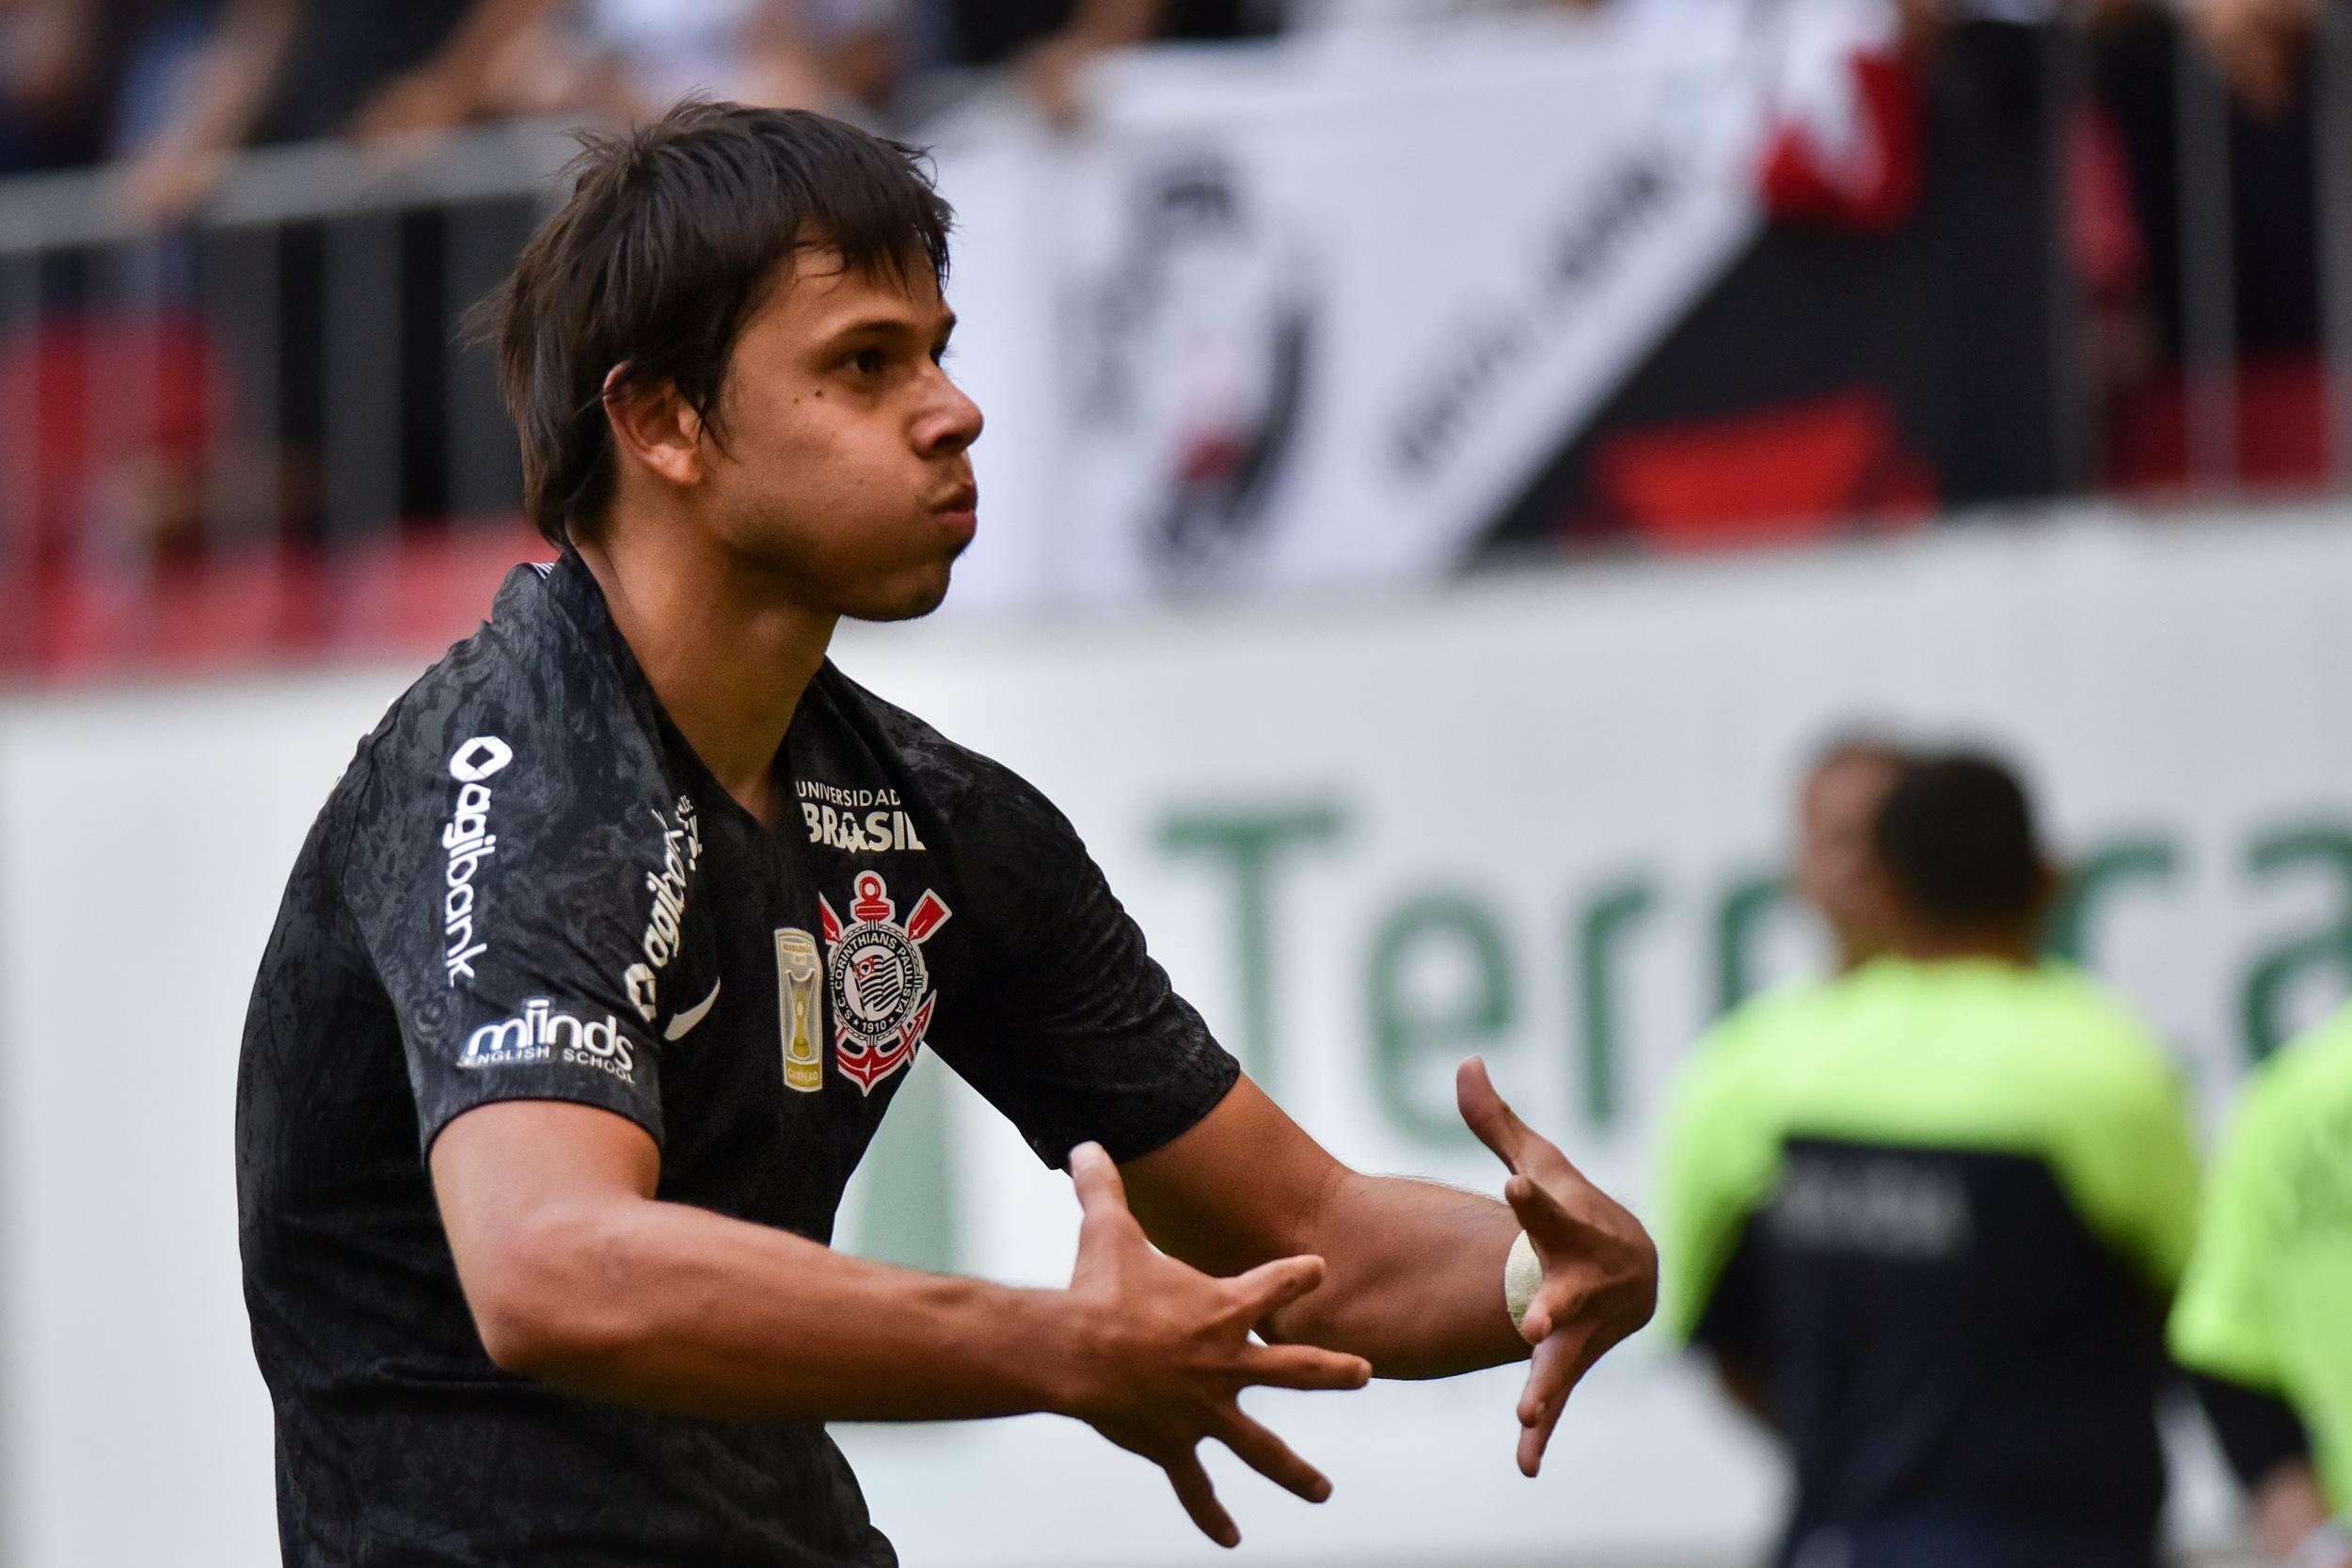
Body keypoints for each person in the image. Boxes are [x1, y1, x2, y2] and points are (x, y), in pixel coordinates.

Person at [233, 102, 1656, 1566]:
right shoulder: (517, 763)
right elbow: (550, 1267)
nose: (954, 408)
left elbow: (1304, 1226)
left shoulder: (938, 822)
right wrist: (1052, 1344)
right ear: (661, 419)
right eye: (864, 362)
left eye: (938, 348)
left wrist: (1532, 1275)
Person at [1652, 750, 2201, 1568]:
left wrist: (1860, 1457)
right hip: (2074, 1538)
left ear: (1886, 885)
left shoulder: (1755, 1070)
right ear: (2049, 879)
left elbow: (1711, 1330)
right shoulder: (2105, 1057)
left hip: (1843, 1533)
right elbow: (2205, 1309)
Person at [2169, 1002, 2352, 1568]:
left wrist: (2316, 1551)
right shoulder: (2295, 1096)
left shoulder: (2295, 1091)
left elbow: (2226, 1357)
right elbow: (2227, 1360)